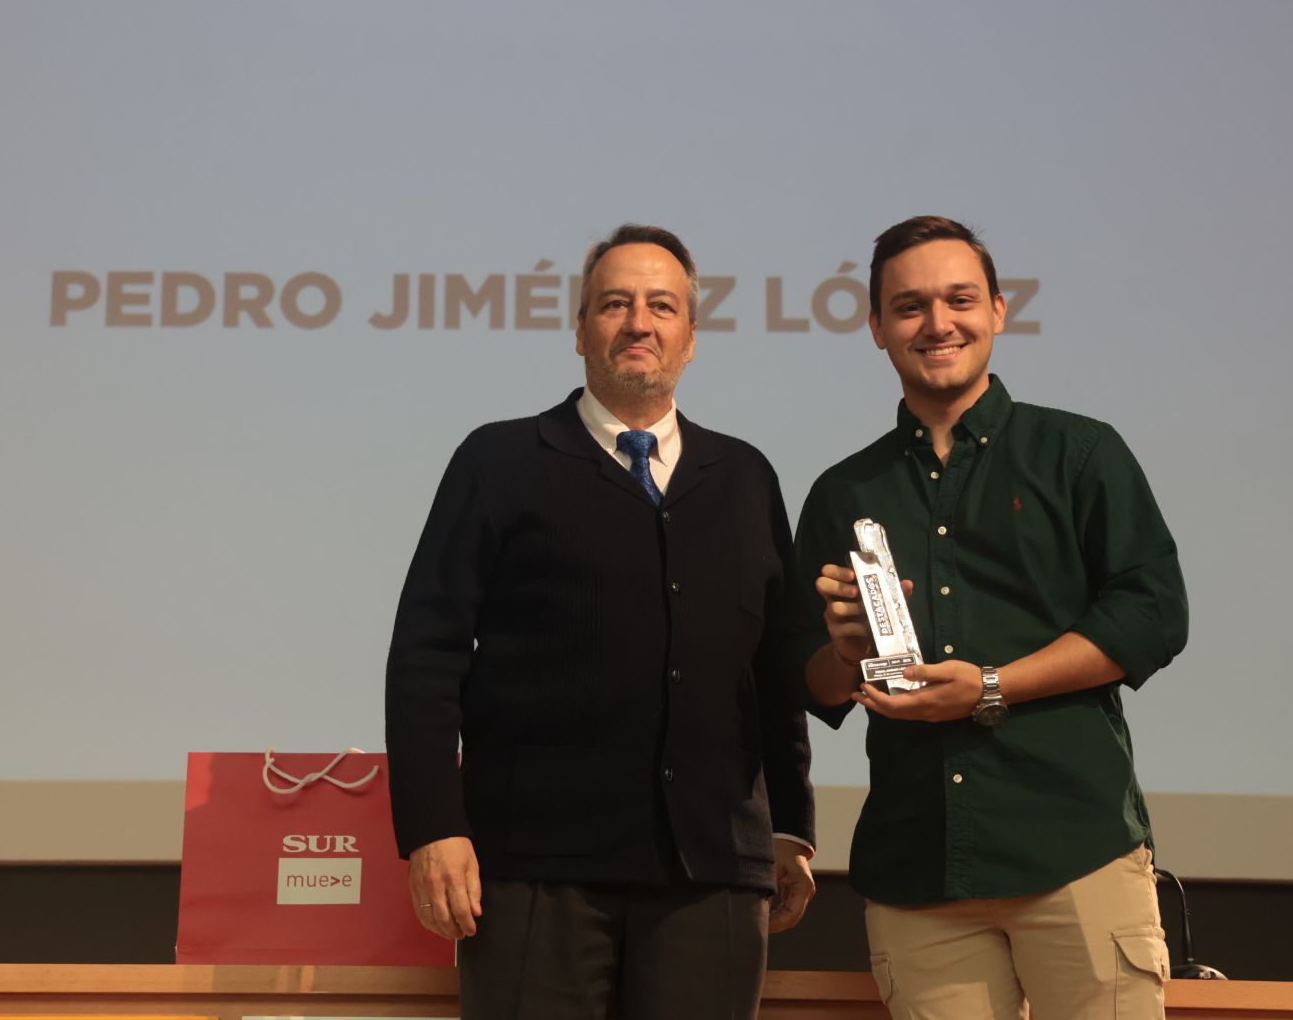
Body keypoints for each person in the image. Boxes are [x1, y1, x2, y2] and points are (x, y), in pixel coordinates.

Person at [386, 223, 816, 1020]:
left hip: (711, 872)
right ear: (579, 328)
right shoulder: (500, 460)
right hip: (532, 874)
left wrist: (789, 826)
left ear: (692, 336)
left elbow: (767, 670)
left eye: (662, 305)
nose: (639, 322)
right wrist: (431, 828)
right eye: (614, 303)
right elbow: (425, 653)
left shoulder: (745, 477)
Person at [783, 215, 1188, 1019]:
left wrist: (992, 686)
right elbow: (815, 683)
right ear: (875, 328)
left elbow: (1153, 613)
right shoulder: (844, 491)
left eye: (959, 299)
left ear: (998, 310)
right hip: (918, 868)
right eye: (909, 307)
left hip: (1075, 850)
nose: (938, 323)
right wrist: (842, 650)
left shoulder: (1077, 453)